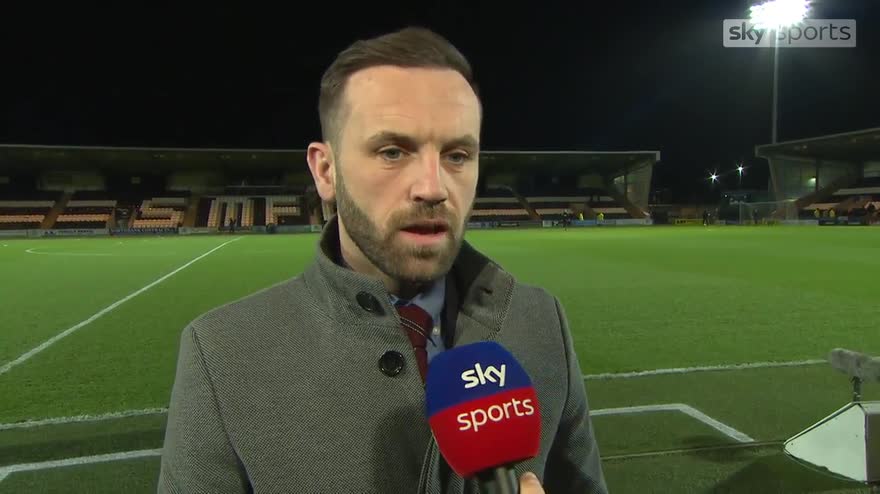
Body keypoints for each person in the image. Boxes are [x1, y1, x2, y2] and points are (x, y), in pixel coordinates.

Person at [158, 27, 606, 494]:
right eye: (392, 152)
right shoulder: (223, 355)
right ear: (326, 170)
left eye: (457, 155)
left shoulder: (539, 319)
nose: (433, 187)